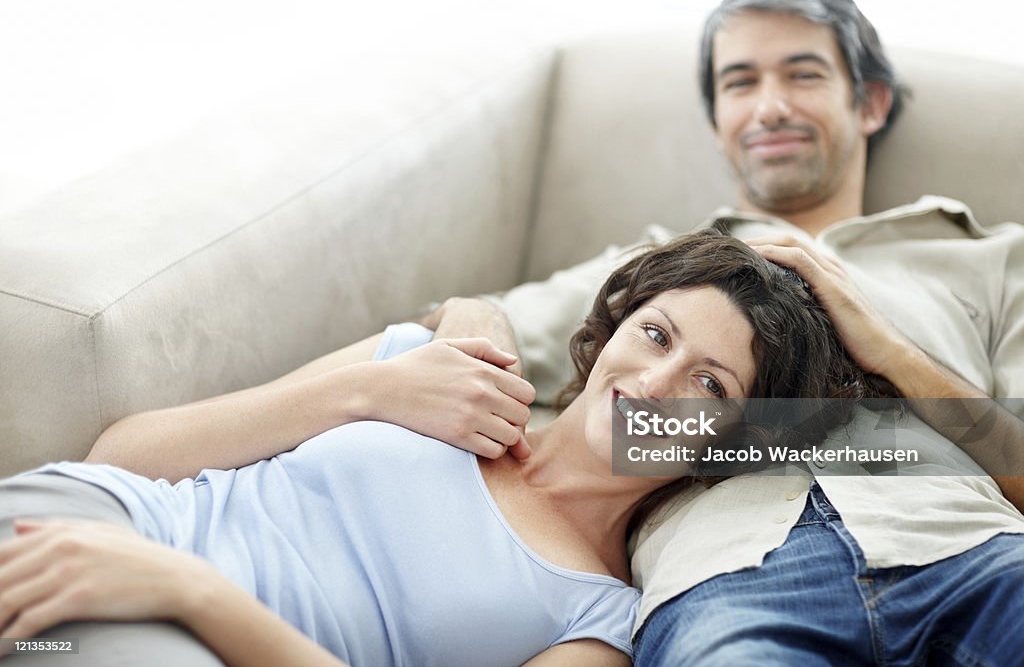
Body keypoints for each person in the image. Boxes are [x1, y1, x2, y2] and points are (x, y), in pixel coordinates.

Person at [418, 0, 1024, 664]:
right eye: (740, 83)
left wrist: (890, 352)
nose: (769, 106)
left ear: (871, 102)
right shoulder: (665, 266)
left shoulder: (991, 260)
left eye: (803, 74)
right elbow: (469, 324)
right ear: (718, 122)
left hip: (968, 548)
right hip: (728, 576)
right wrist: (473, 316)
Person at [0, 232, 878, 667]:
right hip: (89, 520)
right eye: (655, 334)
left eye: (711, 385)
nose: (654, 382)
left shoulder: (601, 624)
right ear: (614, 328)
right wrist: (369, 388)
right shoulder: (428, 369)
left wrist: (188, 592)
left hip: (185, 635)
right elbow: (124, 452)